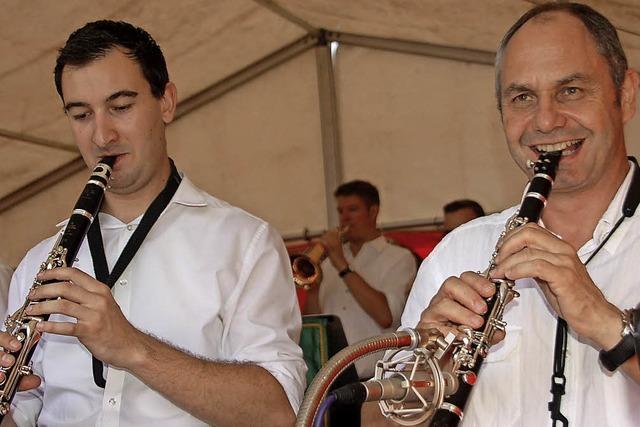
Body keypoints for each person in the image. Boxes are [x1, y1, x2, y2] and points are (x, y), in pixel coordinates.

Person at [0, 20, 305, 427]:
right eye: (81, 114)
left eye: (121, 107)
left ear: (166, 102)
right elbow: (23, 413)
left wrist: (132, 348)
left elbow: (277, 412)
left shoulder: (245, 243)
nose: (102, 136)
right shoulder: (38, 264)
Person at [401, 3, 640, 426]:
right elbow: (385, 419)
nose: (546, 121)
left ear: (625, 96)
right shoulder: (458, 252)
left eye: (571, 90)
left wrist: (608, 325)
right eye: (522, 97)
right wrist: (426, 380)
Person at [302, 180, 416, 379]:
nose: (344, 218)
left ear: (373, 212)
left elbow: (385, 316)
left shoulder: (399, 257)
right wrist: (313, 288)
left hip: (376, 379)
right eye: (341, 211)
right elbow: (313, 323)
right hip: (331, 378)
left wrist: (341, 264)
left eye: (353, 210)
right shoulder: (328, 262)